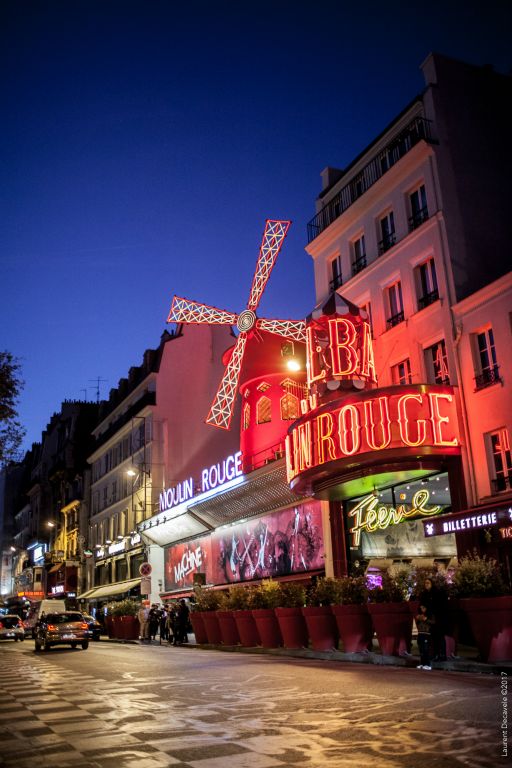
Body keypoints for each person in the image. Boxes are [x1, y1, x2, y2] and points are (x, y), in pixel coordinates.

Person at [419, 577, 448, 661]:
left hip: (438, 618)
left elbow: (439, 606)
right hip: (429, 619)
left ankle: (442, 655)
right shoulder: (424, 594)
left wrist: (427, 610)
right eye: (425, 583)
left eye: (428, 583)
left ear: (432, 584)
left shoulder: (437, 593)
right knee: (433, 638)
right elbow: (422, 604)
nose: (426, 585)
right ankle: (435, 654)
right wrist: (421, 609)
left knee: (439, 637)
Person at [415, 603, 434, 670]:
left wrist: (425, 619)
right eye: (421, 608)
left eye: (423, 608)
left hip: (427, 634)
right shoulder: (420, 615)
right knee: (421, 650)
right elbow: (417, 624)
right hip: (420, 634)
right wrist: (417, 619)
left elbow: (433, 622)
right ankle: (422, 663)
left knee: (426, 650)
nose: (422, 609)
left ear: (426, 608)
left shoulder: (430, 615)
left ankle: (427, 664)